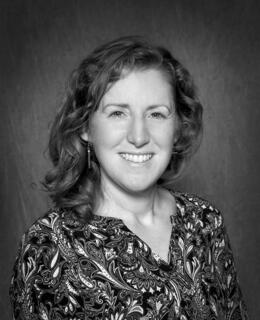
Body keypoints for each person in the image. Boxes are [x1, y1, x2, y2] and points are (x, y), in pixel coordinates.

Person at [9, 36, 248, 320]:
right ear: (85, 126)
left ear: (177, 128)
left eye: (157, 114)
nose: (138, 137)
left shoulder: (206, 222)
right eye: (118, 113)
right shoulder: (47, 247)